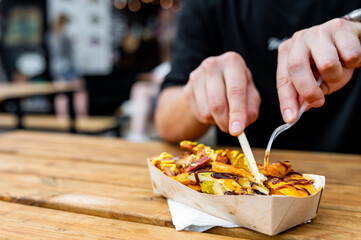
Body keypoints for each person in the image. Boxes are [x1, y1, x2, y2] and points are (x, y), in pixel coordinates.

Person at [155, 0, 361, 154]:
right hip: (240, 190)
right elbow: (166, 121)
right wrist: (205, 95)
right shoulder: (207, 5)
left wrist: (355, 28)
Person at [48, 14, 88, 118]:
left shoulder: (52, 36)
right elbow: (65, 55)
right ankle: (82, 119)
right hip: (66, 69)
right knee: (78, 93)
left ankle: (63, 121)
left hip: (58, 70)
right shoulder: (62, 36)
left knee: (62, 96)